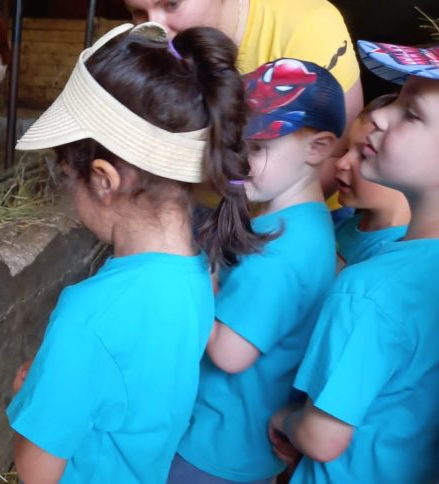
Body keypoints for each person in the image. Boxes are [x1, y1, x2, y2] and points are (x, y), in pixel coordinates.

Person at [6, 22, 268, 483]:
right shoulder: (197, 274)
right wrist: (60, 379)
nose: (69, 190)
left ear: (104, 181)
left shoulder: (89, 314)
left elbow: (36, 471)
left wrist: (36, 396)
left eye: (69, 175)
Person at [268, 40, 439, 483]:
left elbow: (323, 436)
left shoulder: (370, 289)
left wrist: (287, 419)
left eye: (412, 113)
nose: (379, 114)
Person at [169, 58, 343, 484]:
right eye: (237, 142)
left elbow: (230, 353)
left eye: (259, 147)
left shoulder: (281, 247)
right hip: (241, 437)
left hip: (215, 445)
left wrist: (200, 274)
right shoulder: (305, 228)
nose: (239, 159)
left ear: (317, 148)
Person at [123, 0, 363, 204]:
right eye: (138, 13)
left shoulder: (310, 26)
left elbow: (339, 157)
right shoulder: (149, 40)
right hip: (192, 202)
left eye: (172, 3)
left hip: (287, 213)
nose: (156, 29)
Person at [334, 93, 410, 270]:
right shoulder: (343, 227)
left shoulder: (396, 260)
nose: (341, 163)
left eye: (364, 155)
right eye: (346, 150)